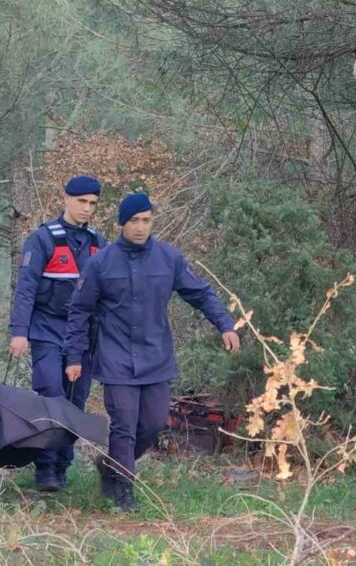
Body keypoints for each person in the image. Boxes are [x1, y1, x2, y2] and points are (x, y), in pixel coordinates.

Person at [63, 193, 240, 511]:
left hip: (156, 357)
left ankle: (111, 466)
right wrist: (74, 356)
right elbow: (79, 311)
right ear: (122, 224)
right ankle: (124, 491)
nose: (140, 227)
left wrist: (225, 325)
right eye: (134, 221)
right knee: (124, 425)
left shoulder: (168, 258)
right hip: (116, 358)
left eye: (146, 220)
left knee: (154, 423)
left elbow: (200, 293)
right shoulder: (101, 263)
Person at [9, 175, 106, 491]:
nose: (86, 208)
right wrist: (19, 332)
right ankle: (45, 468)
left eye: (92, 203)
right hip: (47, 330)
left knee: (75, 402)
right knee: (52, 394)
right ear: (65, 199)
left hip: (83, 336)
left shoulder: (97, 243)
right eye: (81, 201)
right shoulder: (43, 239)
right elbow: (26, 289)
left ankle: (62, 465)